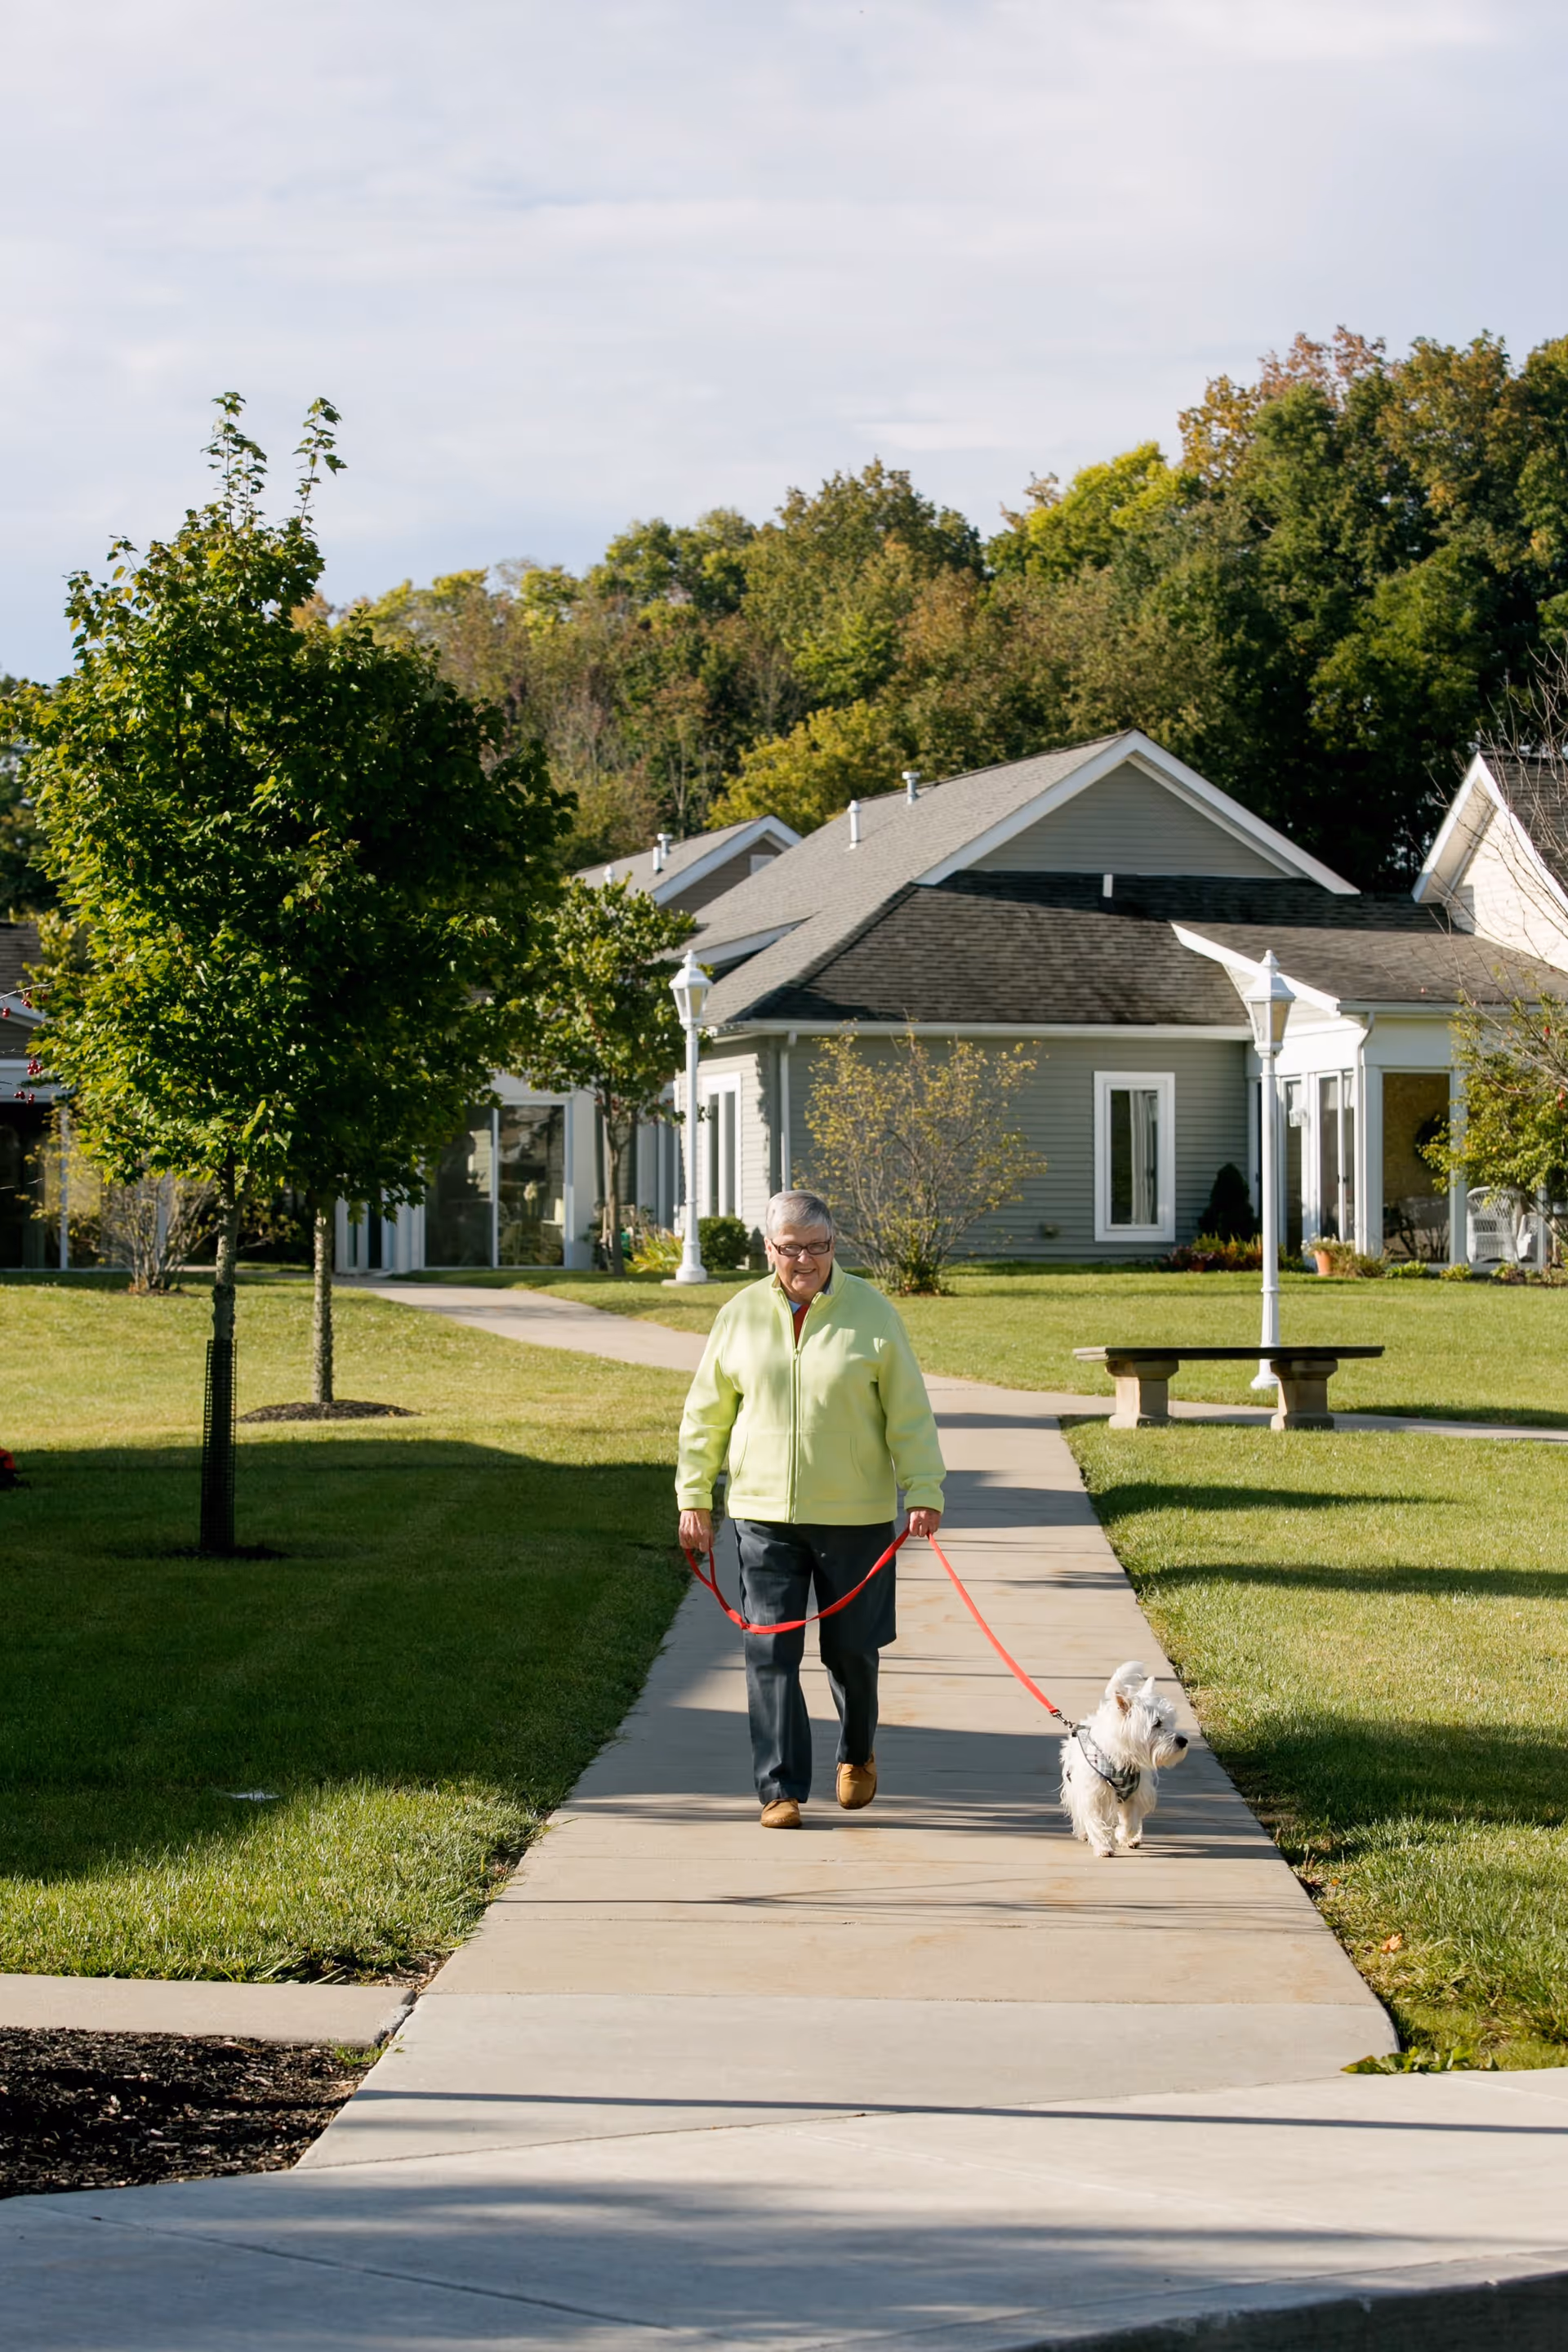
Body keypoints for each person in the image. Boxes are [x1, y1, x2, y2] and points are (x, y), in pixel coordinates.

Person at [676, 1189, 946, 1829]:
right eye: (790, 1248)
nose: (805, 1260)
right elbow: (706, 1412)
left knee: (853, 1651)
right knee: (770, 1653)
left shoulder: (873, 1315)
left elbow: (909, 1412)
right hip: (763, 1515)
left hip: (855, 1517)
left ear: (834, 1247)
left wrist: (925, 1488)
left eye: (817, 1247)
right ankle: (779, 1789)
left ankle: (856, 1752)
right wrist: (694, 1495)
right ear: (769, 1249)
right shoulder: (739, 1316)